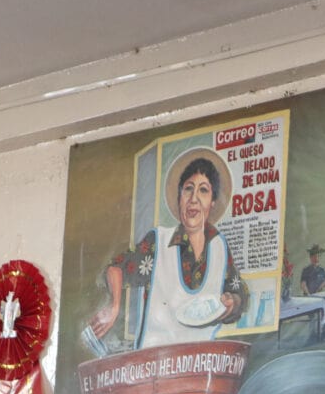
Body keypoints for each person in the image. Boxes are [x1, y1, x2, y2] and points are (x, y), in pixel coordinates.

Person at [89, 147, 249, 349]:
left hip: (199, 365)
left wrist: (231, 302)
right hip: (154, 359)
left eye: (203, 190)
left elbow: (239, 292)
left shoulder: (219, 247)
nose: (194, 199)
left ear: (213, 202)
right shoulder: (158, 242)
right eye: (188, 188)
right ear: (179, 198)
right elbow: (117, 268)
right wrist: (114, 307)